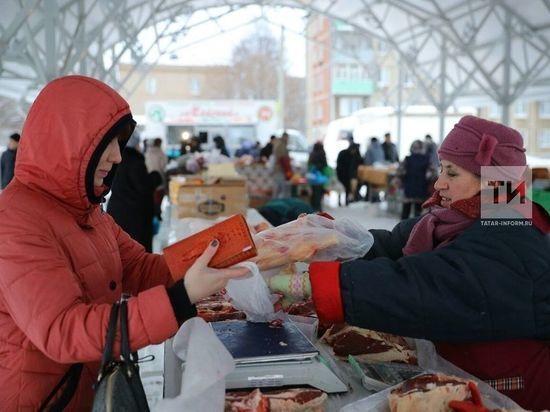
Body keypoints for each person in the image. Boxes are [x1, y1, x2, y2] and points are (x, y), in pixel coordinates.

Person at [0, 75, 249, 410]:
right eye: (107, 142)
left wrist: (236, 245)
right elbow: (63, 330)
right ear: (69, 143)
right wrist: (181, 297)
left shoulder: (89, 214)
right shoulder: (15, 221)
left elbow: (146, 269)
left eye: (120, 141)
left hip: (83, 393)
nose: (118, 156)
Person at [307, 116, 550, 410]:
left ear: (491, 179)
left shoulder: (511, 233)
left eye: (452, 173)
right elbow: (394, 245)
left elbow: (426, 286)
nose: (439, 183)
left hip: (512, 392)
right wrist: (333, 240)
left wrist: (319, 284)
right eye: (441, 169)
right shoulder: (455, 220)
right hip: (469, 375)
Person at [107, 132, 160, 252]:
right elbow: (144, 187)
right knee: (137, 252)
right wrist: (155, 176)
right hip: (135, 216)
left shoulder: (116, 160)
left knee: (121, 250)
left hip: (117, 211)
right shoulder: (135, 162)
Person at [399, 140, 431, 219]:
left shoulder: (407, 159)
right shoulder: (427, 160)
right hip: (421, 188)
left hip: (409, 187)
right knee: (418, 212)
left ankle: (403, 228)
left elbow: (400, 172)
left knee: (406, 211)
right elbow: (431, 175)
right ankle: (416, 228)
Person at [145, 137, 169, 220]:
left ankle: (152, 214)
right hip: (159, 178)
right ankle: (157, 214)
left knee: (152, 198)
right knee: (158, 198)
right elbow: (164, 165)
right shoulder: (160, 153)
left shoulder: (147, 152)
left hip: (148, 179)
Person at [336, 137, 363, 205]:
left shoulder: (353, 155)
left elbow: (360, 161)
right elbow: (340, 165)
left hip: (348, 175)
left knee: (348, 188)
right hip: (342, 174)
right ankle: (341, 201)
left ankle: (346, 201)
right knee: (343, 188)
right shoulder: (343, 153)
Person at [307, 142, 331, 211]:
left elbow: (309, 164)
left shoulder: (312, 153)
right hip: (320, 177)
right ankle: (318, 207)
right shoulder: (322, 153)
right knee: (319, 192)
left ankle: (313, 207)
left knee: (313, 193)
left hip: (312, 177)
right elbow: (325, 164)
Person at [271, 132, 293, 199]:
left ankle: (276, 203)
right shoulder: (281, 145)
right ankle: (279, 204)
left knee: (278, 188)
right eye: (287, 138)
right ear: (285, 137)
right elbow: (282, 158)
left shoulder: (279, 144)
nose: (287, 139)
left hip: (279, 169)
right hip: (280, 169)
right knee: (282, 188)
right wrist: (288, 169)